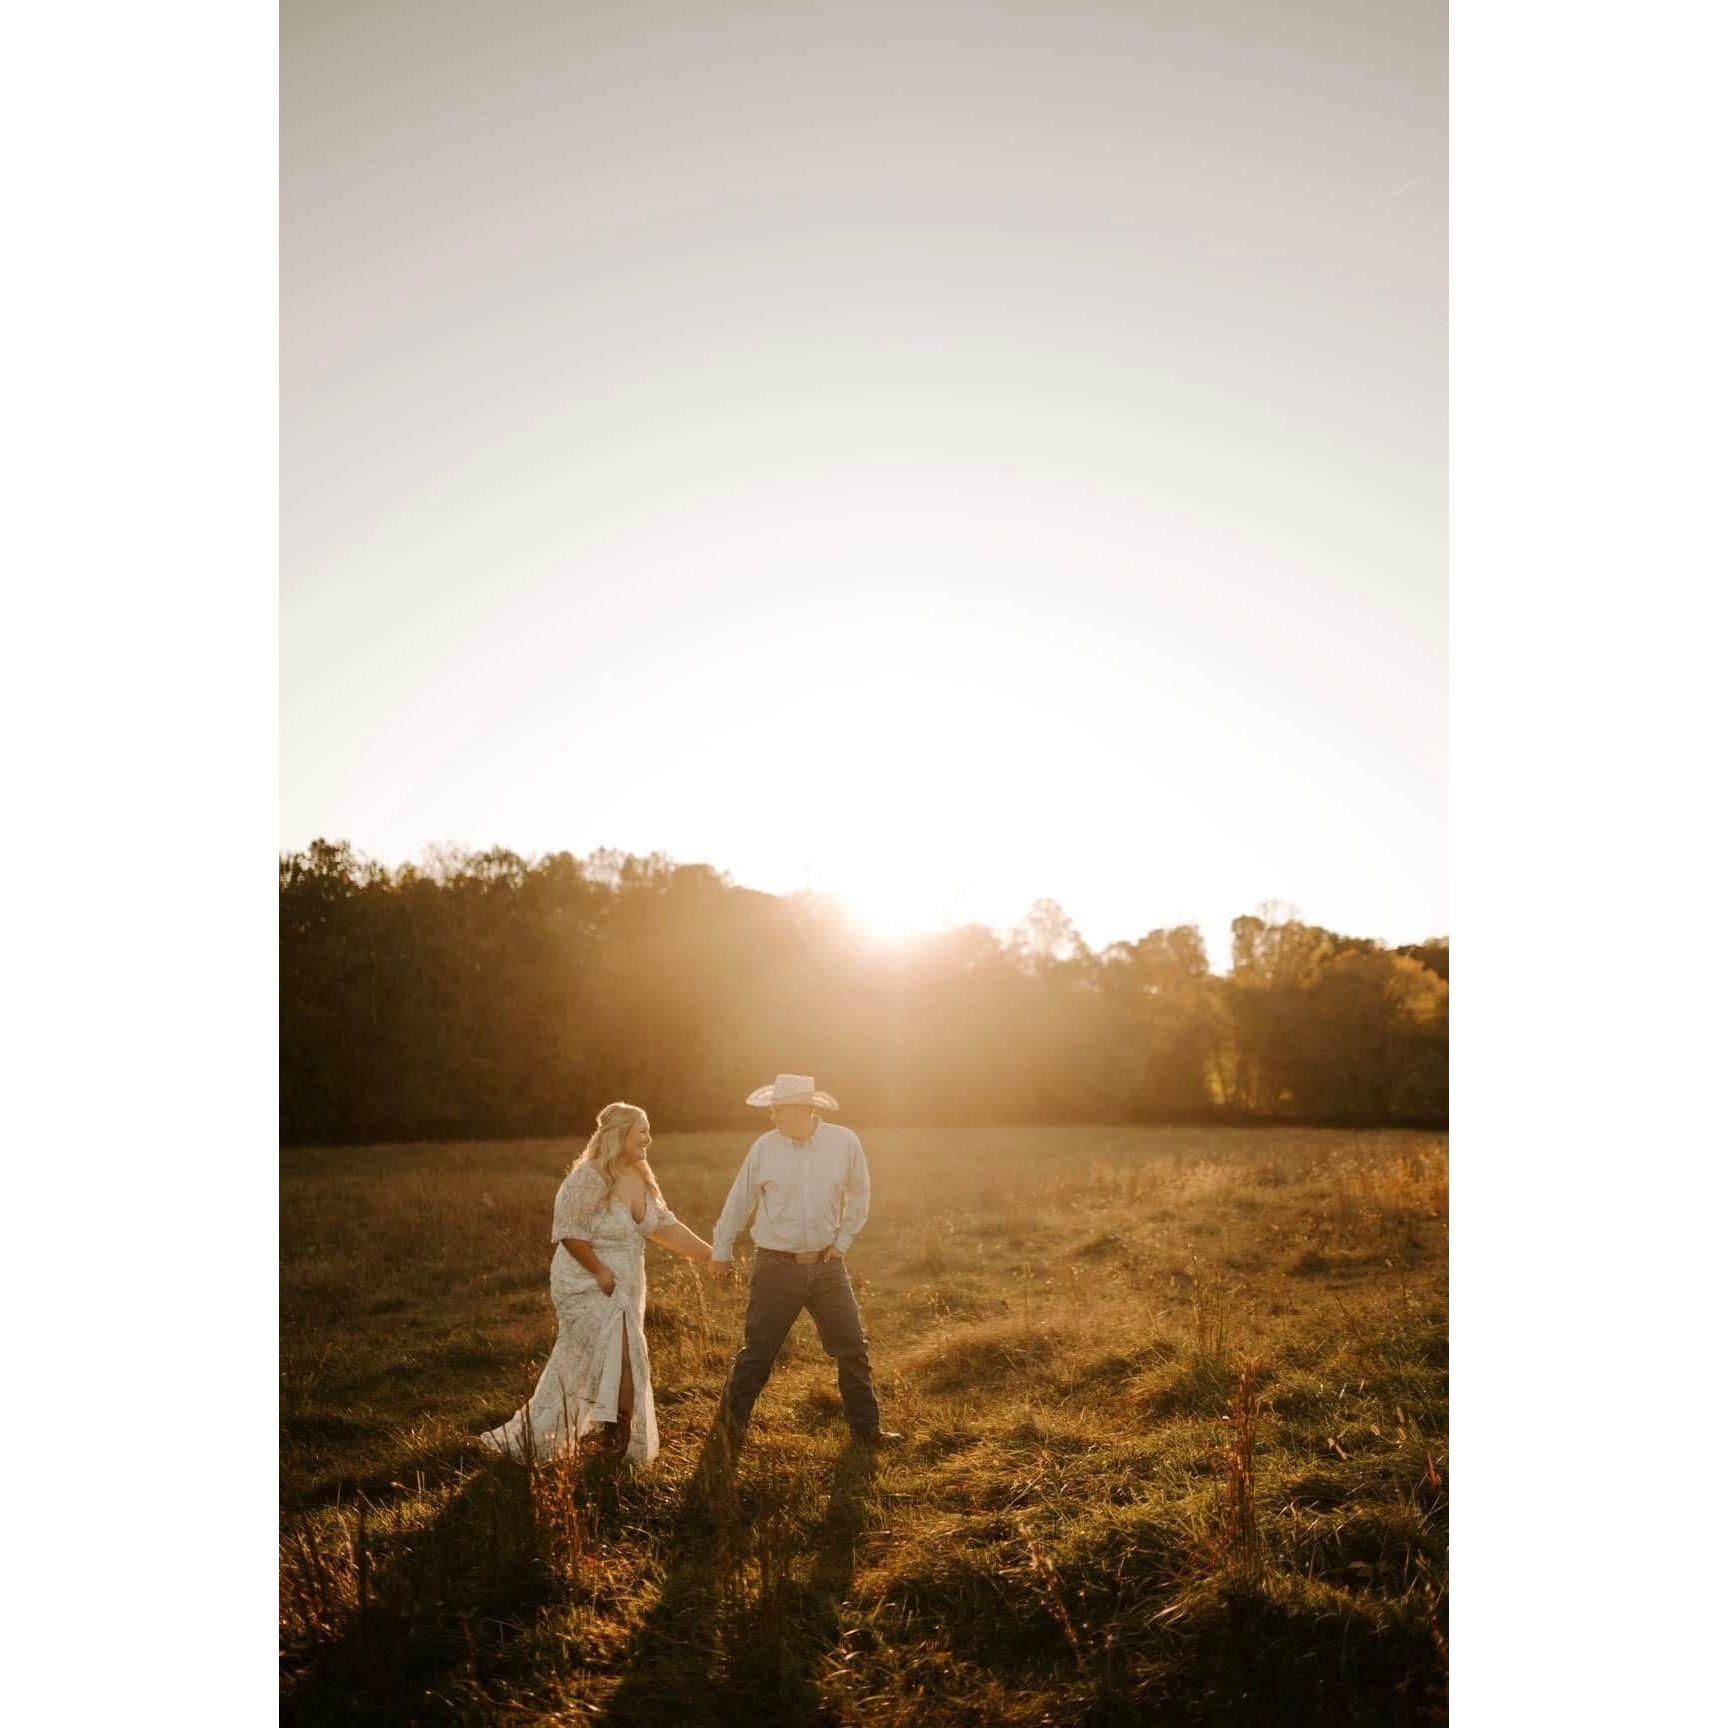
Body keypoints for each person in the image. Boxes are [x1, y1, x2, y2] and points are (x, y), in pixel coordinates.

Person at [481, 1101, 714, 1466]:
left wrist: (709, 1256)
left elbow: (664, 1228)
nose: (649, 1139)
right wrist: (600, 1271)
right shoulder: (588, 1177)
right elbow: (569, 1233)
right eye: (642, 1131)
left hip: (628, 1285)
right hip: (588, 1282)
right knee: (612, 1358)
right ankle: (604, 1439)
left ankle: (613, 1441)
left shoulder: (640, 1178)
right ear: (619, 1134)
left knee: (625, 1360)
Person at [707, 1074, 902, 1448]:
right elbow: (739, 1199)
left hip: (829, 1267)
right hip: (776, 1266)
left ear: (804, 1109)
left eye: (779, 1110)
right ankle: (727, 1435)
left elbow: (859, 1193)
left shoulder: (844, 1142)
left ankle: (868, 1432)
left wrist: (842, 1242)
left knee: (853, 1348)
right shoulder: (765, 1148)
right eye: (772, 1110)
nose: (773, 1117)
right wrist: (721, 1250)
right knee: (758, 1354)